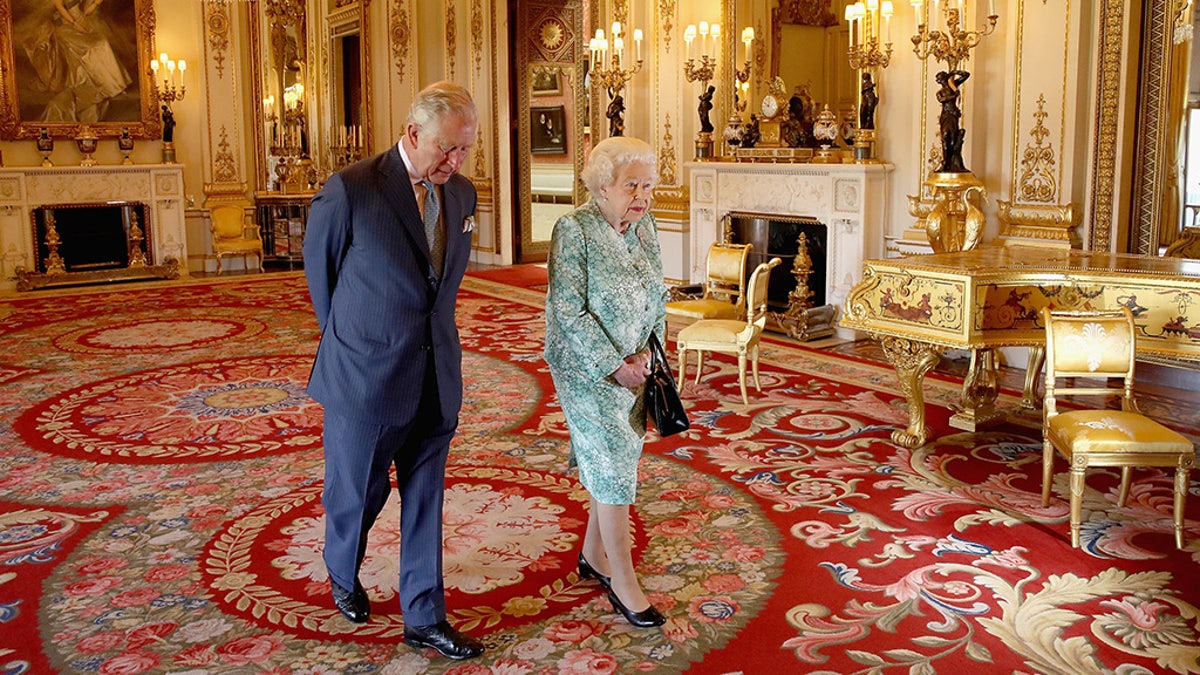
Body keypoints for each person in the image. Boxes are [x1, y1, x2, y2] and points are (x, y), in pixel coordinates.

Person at [302, 81, 484, 661]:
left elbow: (442, 287)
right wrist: (357, 345)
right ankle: (341, 569)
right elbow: (321, 280)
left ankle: (424, 615)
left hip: (435, 373)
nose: (455, 163)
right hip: (365, 376)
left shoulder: (461, 196)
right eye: (447, 149)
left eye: (465, 151)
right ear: (412, 134)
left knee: (426, 498)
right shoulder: (352, 189)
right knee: (357, 493)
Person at [543, 136, 669, 629]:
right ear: (601, 186)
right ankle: (623, 580)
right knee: (614, 461)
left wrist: (649, 354)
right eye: (632, 185)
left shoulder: (645, 225)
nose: (642, 196)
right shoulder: (572, 230)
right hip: (584, 368)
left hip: (637, 365)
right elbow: (568, 310)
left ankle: (593, 555)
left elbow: (656, 294)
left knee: (616, 456)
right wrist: (613, 365)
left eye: (649, 186)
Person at [16, 0, 133, 123]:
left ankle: (113, 84)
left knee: (101, 43)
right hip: (65, 25)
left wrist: (94, 5)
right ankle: (98, 83)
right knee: (89, 49)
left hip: (81, 21)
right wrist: (75, 23)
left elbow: (88, 7)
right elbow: (60, 8)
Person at [936, 69, 971, 173]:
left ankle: (952, 163)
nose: (940, 81)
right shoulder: (940, 92)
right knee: (945, 135)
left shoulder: (954, 85)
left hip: (953, 115)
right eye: (939, 80)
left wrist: (955, 72)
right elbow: (942, 100)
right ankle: (945, 162)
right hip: (946, 115)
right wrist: (954, 95)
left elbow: (966, 75)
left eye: (941, 78)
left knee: (953, 139)